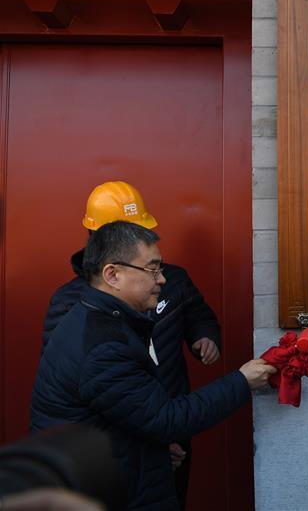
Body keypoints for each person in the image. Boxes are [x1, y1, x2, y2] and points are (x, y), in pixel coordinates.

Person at [31, 221, 275, 510]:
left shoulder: (99, 317)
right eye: (152, 269)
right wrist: (242, 381)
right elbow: (167, 419)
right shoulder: (103, 346)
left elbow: (124, 413)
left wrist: (150, 449)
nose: (162, 279)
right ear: (113, 274)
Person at [42, 181, 222, 507]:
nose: (158, 278)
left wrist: (204, 335)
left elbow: (199, 315)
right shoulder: (70, 303)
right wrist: (146, 446)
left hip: (172, 419)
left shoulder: (171, 279)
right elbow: (75, 387)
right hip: (122, 444)